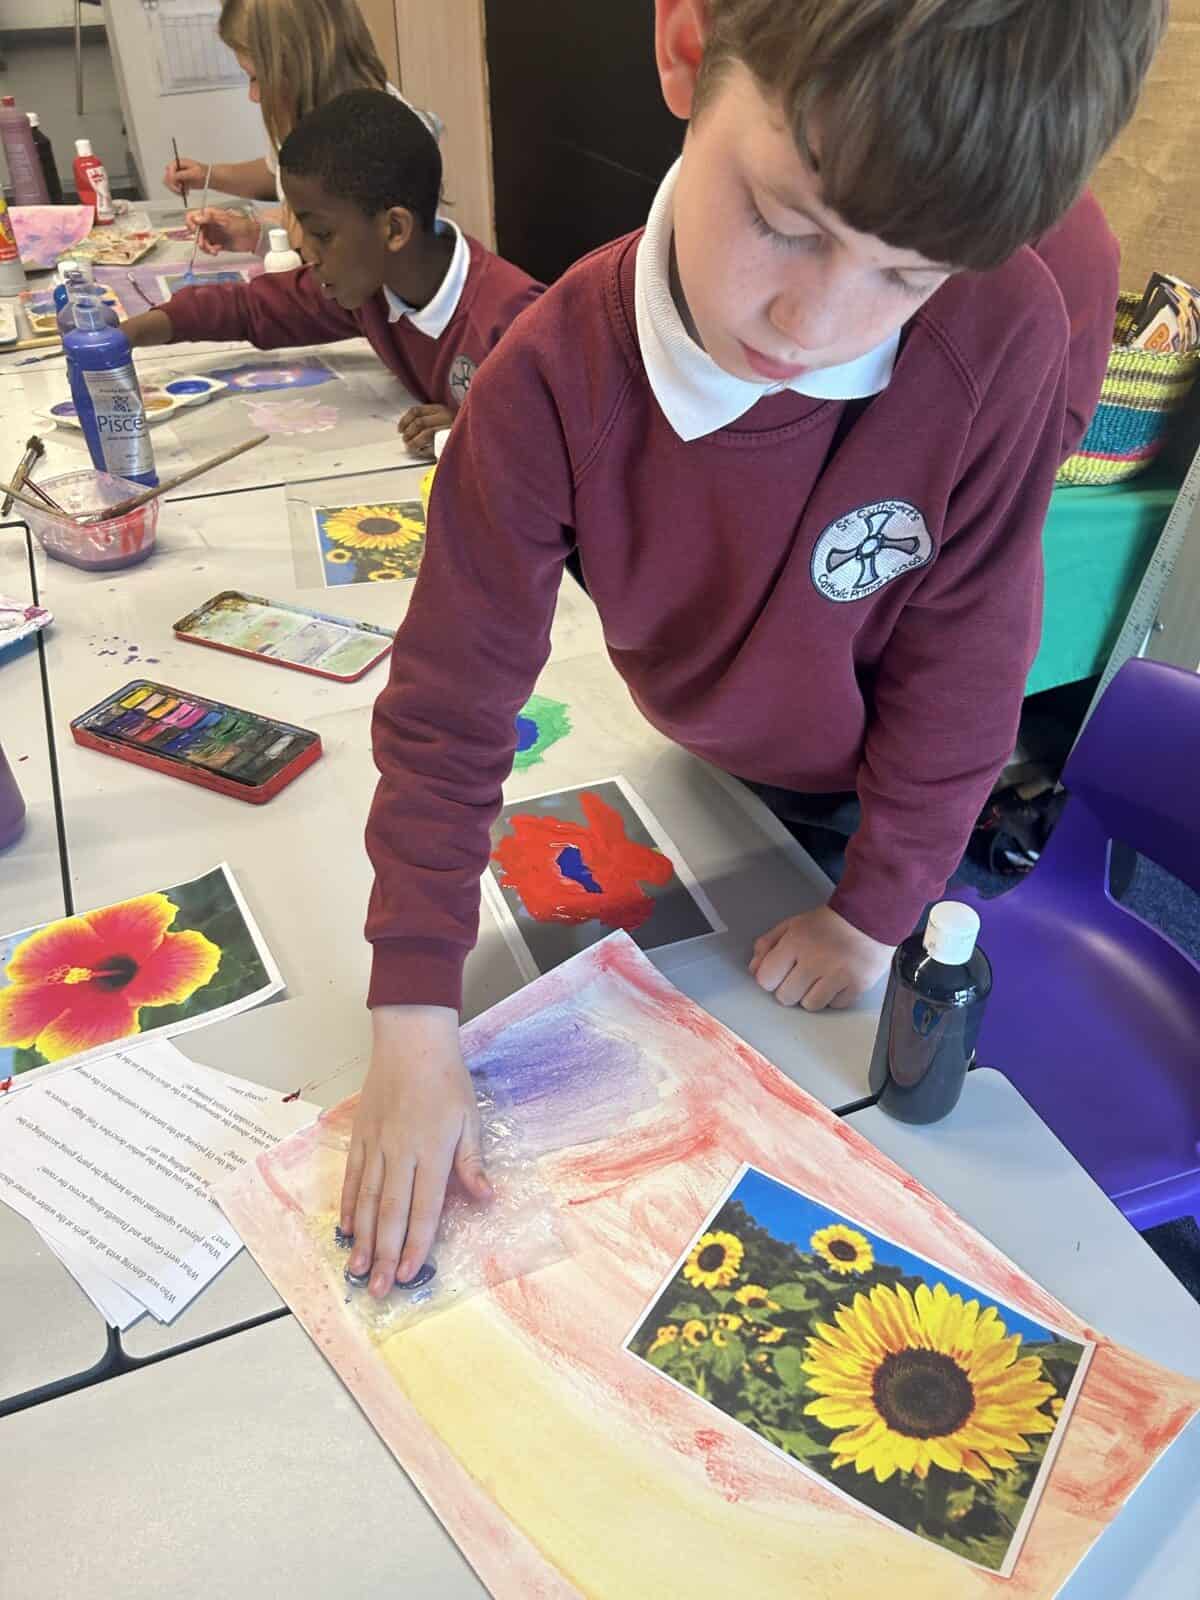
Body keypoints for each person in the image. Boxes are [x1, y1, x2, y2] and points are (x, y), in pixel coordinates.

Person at [343, 0, 1165, 1296]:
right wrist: (412, 1014)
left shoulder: (997, 320)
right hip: (720, 760)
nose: (811, 321)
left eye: (903, 275)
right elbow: (451, 705)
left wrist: (872, 916)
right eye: (785, 221)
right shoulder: (546, 380)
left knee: (850, 1170)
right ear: (686, 47)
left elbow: (967, 662)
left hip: (889, 805)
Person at [122, 91, 541, 453]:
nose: (307, 250)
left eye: (321, 233)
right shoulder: (372, 286)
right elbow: (253, 308)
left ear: (394, 229)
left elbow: (562, 450)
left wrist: (471, 432)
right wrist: (128, 334)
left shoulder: (516, 321)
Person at [164, 0, 440, 259]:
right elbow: (285, 181)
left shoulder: (378, 142)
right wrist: (253, 233)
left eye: (256, 78)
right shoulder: (308, 120)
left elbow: (332, 255)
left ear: (299, 64)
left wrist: (265, 233)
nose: (254, 96)